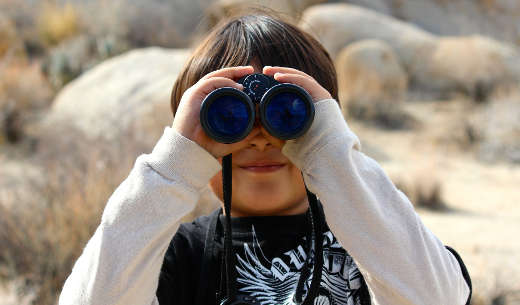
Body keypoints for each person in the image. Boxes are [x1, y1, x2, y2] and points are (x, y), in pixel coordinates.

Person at [58, 12, 472, 305]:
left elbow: (435, 298)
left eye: (288, 115)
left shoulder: (376, 240)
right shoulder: (176, 254)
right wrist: (173, 167)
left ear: (325, 122)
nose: (259, 140)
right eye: (229, 117)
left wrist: (333, 156)